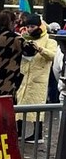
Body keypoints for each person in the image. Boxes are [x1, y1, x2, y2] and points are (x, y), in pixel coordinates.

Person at [16, 14, 58, 142]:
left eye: (32, 26)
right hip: (24, 78)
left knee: (37, 108)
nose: (29, 29)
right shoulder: (23, 38)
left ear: (40, 26)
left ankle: (38, 134)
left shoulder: (50, 41)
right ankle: (19, 132)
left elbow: (53, 56)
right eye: (28, 27)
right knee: (20, 106)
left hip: (38, 79)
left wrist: (40, 49)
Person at [0, 11, 25, 100]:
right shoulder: (15, 38)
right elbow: (31, 50)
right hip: (8, 81)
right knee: (6, 110)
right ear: (11, 22)